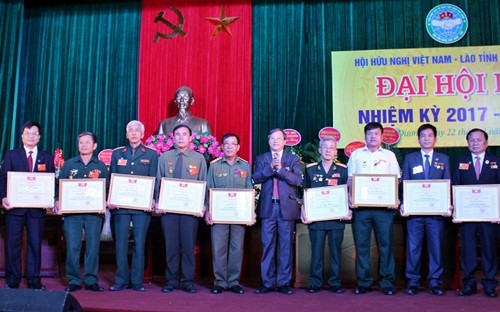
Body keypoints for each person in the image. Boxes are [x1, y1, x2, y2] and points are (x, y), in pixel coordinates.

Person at [347, 122, 400, 295]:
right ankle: (364, 282)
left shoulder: (389, 156)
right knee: (362, 247)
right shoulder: (356, 155)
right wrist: (350, 198)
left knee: (385, 246)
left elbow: (396, 180)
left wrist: (395, 199)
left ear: (382, 136)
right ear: (365, 136)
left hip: (384, 209)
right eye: (369, 134)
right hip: (361, 209)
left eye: (376, 134)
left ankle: (387, 282)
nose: (373, 137)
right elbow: (350, 180)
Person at [0, 121, 55, 290]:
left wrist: (50, 199)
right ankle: (13, 280)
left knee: (34, 244)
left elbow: (51, 180)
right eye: (27, 133)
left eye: (34, 133)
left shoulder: (46, 157)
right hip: (14, 209)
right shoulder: (12, 155)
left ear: (39, 137)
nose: (31, 136)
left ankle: (34, 280)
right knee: (13, 244)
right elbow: (3, 178)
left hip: (37, 210)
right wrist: (2, 197)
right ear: (22, 136)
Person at [55, 132, 109, 293]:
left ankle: (91, 280)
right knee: (72, 247)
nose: (84, 145)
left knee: (92, 247)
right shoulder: (69, 164)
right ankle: (74, 280)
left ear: (94, 146)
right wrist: (58, 200)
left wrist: (105, 200)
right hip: (73, 215)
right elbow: (60, 186)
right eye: (81, 142)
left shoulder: (100, 166)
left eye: (87, 142)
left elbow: (106, 189)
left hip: (94, 215)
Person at [155, 124, 207, 294]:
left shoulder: (198, 159)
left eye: (184, 134)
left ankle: (188, 280)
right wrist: (157, 201)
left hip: (189, 211)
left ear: (190, 137)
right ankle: (171, 280)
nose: (181, 137)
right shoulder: (164, 157)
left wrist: (203, 205)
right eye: (178, 134)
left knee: (188, 245)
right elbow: (158, 181)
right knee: (170, 246)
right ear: (173, 137)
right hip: (168, 211)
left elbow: (203, 184)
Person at [400, 124, 451, 296]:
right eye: (423, 136)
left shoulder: (444, 159)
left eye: (430, 136)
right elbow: (405, 184)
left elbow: (447, 184)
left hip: (436, 215)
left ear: (435, 139)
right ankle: (413, 281)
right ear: (418, 139)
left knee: (435, 248)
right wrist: (404, 204)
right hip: (414, 214)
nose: (427, 139)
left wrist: (447, 205)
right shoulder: (410, 158)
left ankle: (435, 281)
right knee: (413, 248)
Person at [108, 120, 158, 292]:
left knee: (140, 242)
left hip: (141, 207)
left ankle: (137, 281)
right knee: (120, 243)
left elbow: (154, 180)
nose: (134, 133)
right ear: (126, 134)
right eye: (131, 130)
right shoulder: (117, 154)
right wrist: (111, 197)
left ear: (142, 134)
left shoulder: (151, 154)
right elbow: (112, 177)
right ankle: (121, 279)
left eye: (137, 130)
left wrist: (153, 199)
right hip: (121, 207)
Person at [252, 128, 303, 295]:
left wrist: (280, 169)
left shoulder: (293, 159)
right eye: (272, 138)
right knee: (267, 245)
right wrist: (270, 169)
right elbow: (255, 178)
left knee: (286, 246)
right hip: (268, 207)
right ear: (268, 141)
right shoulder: (262, 158)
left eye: (279, 138)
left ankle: (283, 282)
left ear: (285, 141)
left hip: (286, 208)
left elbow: (297, 180)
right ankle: (267, 282)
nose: (275, 141)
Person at [204, 133, 254, 295]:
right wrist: (208, 210)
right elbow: (208, 190)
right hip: (219, 216)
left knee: (236, 248)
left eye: (233, 144)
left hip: (239, 216)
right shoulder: (215, 166)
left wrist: (250, 212)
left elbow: (249, 191)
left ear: (238, 147)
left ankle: (233, 281)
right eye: (227, 144)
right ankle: (219, 282)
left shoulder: (245, 166)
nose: (230, 147)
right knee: (218, 248)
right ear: (222, 147)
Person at [452, 128, 499, 298]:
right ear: (467, 143)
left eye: (479, 140)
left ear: (486, 143)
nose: (475, 143)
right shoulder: (460, 162)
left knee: (489, 249)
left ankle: (489, 284)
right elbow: (455, 187)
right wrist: (456, 211)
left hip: (490, 216)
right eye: (471, 140)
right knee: (468, 251)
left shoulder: (496, 161)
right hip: (467, 216)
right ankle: (469, 284)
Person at [302, 136, 349, 294]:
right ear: (320, 150)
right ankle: (315, 282)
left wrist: (347, 210)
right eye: (325, 147)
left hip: (337, 218)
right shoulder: (310, 169)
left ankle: (335, 282)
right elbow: (305, 193)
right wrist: (304, 212)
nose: (328, 150)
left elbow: (347, 193)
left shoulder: (343, 169)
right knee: (316, 251)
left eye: (331, 147)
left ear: (336, 151)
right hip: (316, 219)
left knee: (336, 251)